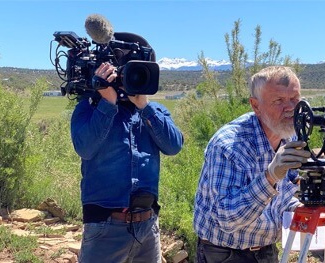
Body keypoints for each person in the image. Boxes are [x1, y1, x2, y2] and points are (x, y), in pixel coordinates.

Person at [70, 33, 184, 263]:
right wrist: (108, 103)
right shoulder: (88, 109)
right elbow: (85, 148)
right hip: (104, 226)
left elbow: (173, 146)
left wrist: (143, 105)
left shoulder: (154, 111)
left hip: (147, 225)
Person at [193, 66, 311, 263]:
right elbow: (227, 219)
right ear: (256, 106)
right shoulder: (229, 145)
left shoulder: (291, 135)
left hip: (266, 250)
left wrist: (300, 209)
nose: (290, 108)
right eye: (279, 101)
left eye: (294, 99)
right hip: (225, 253)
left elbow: (281, 196)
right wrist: (270, 176)